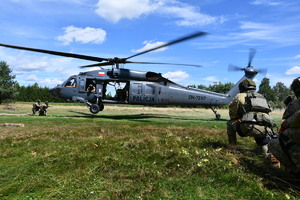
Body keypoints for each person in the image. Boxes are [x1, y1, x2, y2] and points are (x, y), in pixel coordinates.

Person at [227, 79, 276, 158]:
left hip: (247, 128)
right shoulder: (262, 97)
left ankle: (233, 149)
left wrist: (240, 118)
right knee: (262, 133)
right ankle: (265, 152)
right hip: (265, 130)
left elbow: (232, 115)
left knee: (229, 123)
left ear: (242, 87)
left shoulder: (239, 96)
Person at [268, 77, 300, 177]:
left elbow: (284, 126)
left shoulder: (295, 104)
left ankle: (295, 172)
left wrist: (290, 106)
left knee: (279, 139)